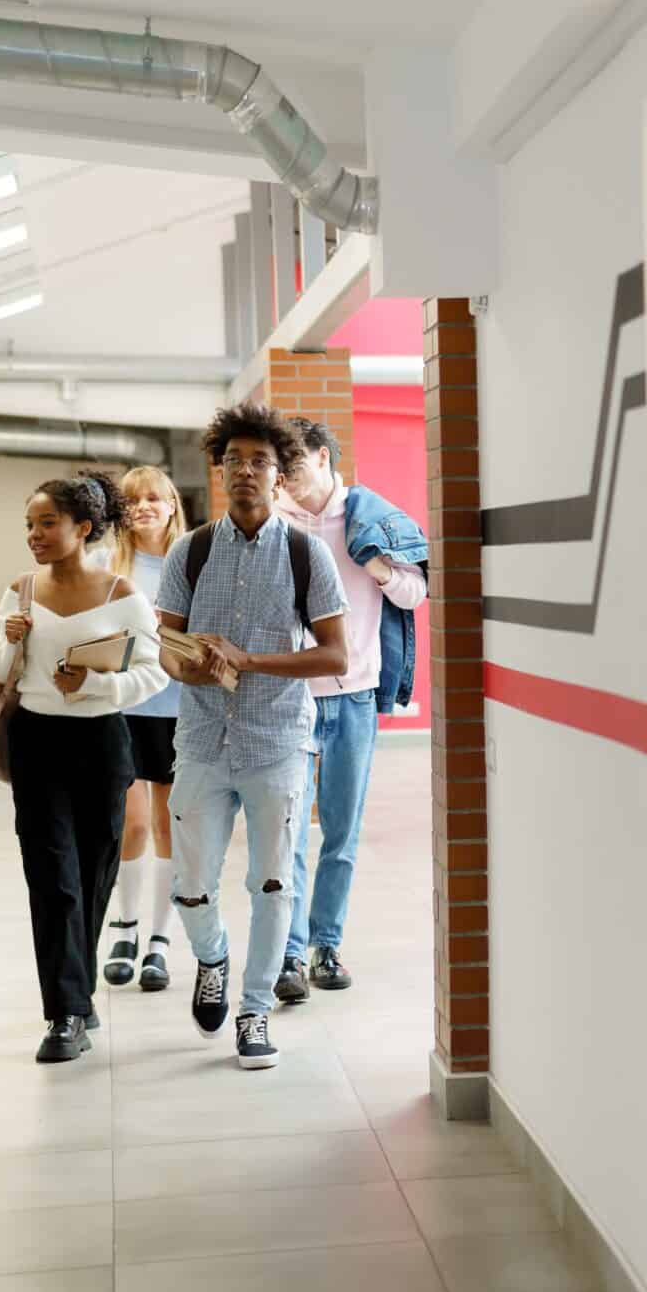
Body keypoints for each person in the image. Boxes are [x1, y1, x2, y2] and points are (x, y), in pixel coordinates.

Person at [156, 402, 348, 1070]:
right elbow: (167, 650)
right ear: (220, 469)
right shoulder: (191, 550)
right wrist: (196, 667)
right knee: (189, 883)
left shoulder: (307, 553)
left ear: (280, 474)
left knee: (271, 883)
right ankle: (211, 957)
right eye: (233, 459)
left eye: (259, 461)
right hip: (202, 740)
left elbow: (335, 656)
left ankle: (255, 1008)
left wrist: (250, 660)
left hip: (276, 743)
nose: (244, 470)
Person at [0, 472, 170, 1063]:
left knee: (93, 876)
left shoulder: (121, 594)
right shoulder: (20, 590)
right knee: (53, 879)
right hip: (36, 743)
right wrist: (12, 641)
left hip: (101, 744)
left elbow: (155, 672)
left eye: (47, 523)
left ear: (82, 528)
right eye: (30, 525)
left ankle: (78, 986)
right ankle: (65, 1013)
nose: (35, 535)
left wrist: (94, 683)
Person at [271, 417, 428, 1002]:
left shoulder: (369, 517)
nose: (282, 475)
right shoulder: (272, 524)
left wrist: (376, 564)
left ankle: (324, 945)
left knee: (341, 831)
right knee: (287, 830)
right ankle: (287, 953)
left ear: (321, 456)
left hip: (355, 694)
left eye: (291, 462)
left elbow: (415, 594)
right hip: (289, 699)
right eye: (276, 467)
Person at [101, 466, 187, 993]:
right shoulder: (107, 563)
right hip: (125, 711)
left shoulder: (191, 560)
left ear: (172, 505)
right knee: (130, 825)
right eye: (134, 500)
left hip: (180, 713)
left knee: (170, 827)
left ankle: (160, 938)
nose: (146, 507)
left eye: (156, 498)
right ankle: (125, 926)